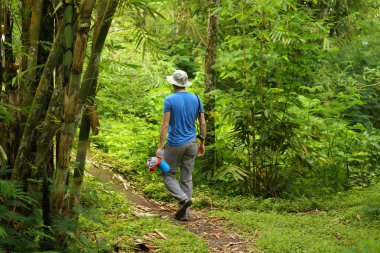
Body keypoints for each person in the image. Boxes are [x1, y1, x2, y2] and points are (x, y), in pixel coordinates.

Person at [156, 69, 206, 221]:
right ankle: (185, 215)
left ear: (173, 84)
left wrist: (160, 147)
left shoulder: (170, 100)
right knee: (187, 178)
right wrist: (202, 142)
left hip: (175, 144)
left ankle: (182, 199)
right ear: (185, 84)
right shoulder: (196, 98)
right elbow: (202, 123)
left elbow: (165, 125)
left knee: (168, 174)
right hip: (192, 143)